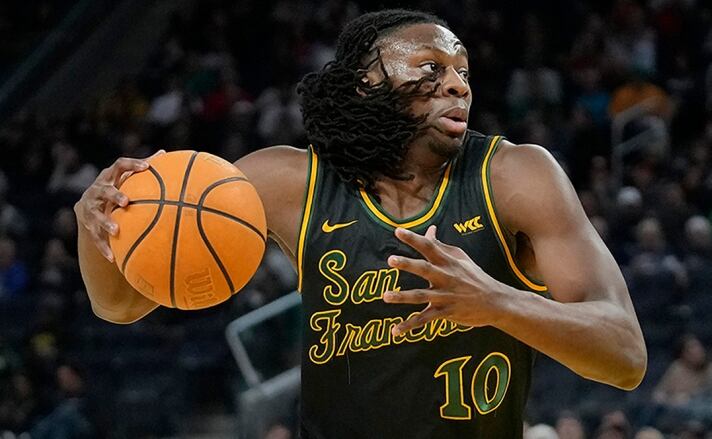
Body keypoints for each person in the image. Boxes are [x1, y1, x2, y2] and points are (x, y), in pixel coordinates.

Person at [74, 9, 646, 438]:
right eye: (431, 67)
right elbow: (121, 306)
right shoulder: (285, 183)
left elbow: (625, 355)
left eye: (463, 71)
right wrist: (93, 225)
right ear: (366, 83)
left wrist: (496, 301)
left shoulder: (514, 176)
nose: (458, 84)